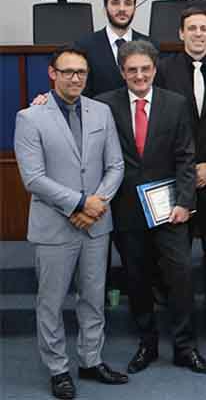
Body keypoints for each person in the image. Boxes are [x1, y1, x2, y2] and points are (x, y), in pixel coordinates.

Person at [96, 40, 206, 375]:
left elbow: (185, 156)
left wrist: (185, 202)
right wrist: (44, 99)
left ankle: (185, 348)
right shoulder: (103, 106)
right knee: (137, 279)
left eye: (145, 69)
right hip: (126, 210)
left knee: (180, 277)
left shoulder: (174, 104)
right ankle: (146, 344)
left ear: (154, 69)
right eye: (132, 70)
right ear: (122, 72)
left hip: (170, 211)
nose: (139, 75)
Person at [15, 47, 127, 399]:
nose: (75, 78)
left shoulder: (101, 112)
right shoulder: (30, 118)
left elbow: (116, 166)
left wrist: (96, 203)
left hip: (96, 224)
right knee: (51, 303)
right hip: (54, 226)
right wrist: (79, 203)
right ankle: (58, 369)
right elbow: (33, 178)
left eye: (81, 72)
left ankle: (91, 360)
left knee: (93, 298)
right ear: (52, 73)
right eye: (68, 72)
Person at [156, 7, 206, 351]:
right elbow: (162, 125)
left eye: (204, 28)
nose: (198, 34)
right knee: (176, 258)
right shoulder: (163, 70)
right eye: (192, 28)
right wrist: (188, 170)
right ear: (181, 33)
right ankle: (181, 325)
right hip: (177, 180)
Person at [76, 0, 154, 97]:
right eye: (115, 3)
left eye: (128, 4)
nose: (122, 9)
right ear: (105, 8)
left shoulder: (150, 44)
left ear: (134, 9)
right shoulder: (85, 46)